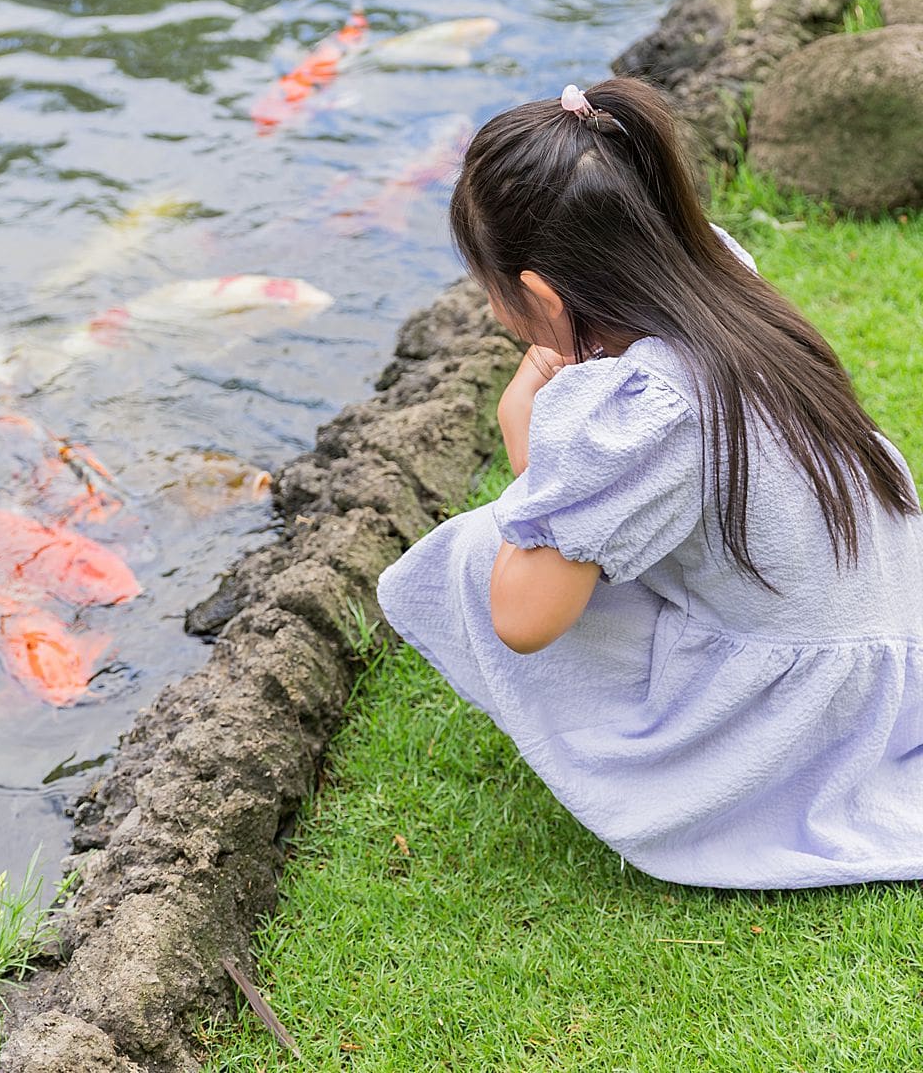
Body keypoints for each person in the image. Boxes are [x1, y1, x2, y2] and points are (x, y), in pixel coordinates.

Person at [378, 77, 923, 889]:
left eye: (489, 290)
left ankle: (708, 770)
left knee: (472, 555)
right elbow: (590, 503)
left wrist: (521, 410)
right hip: (892, 637)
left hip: (810, 714)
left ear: (536, 295)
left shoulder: (642, 410)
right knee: (569, 537)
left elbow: (523, 618)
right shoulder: (720, 282)